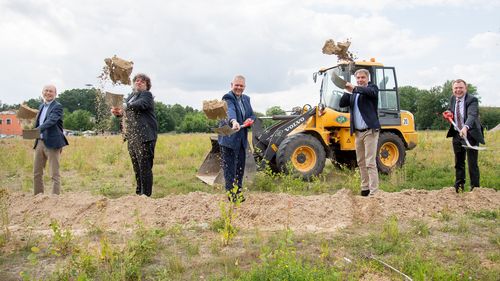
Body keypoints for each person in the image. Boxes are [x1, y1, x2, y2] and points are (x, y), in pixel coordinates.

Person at [111, 73, 158, 197]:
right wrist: (117, 113)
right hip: (132, 137)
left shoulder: (146, 95)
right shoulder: (131, 96)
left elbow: (140, 104)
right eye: (137, 80)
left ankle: (146, 195)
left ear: (147, 85)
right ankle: (139, 193)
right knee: (137, 167)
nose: (139, 82)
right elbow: (126, 113)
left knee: (145, 167)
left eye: (142, 81)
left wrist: (125, 106)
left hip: (145, 137)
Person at [339, 69, 380, 196]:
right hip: (358, 133)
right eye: (358, 78)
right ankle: (365, 189)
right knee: (361, 162)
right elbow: (341, 104)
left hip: (370, 131)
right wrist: (347, 90)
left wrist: (354, 87)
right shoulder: (354, 93)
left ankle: (374, 192)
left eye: (363, 77)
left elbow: (370, 92)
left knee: (370, 162)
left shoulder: (372, 88)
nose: (360, 80)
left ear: (367, 78)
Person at [218, 75, 255, 203]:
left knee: (240, 166)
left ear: (244, 87)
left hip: (241, 139)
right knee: (230, 168)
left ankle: (238, 191)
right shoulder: (228, 97)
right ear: (231, 85)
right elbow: (230, 111)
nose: (239, 88)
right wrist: (234, 121)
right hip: (228, 138)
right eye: (236, 85)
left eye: (241, 86)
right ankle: (231, 195)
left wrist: (250, 120)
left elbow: (251, 114)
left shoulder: (246, 99)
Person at [443, 79, 484, 193]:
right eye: (456, 88)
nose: (458, 90)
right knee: (459, 162)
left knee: (472, 163)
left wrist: (466, 127)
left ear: (465, 89)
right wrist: (448, 113)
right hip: (457, 134)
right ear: (453, 89)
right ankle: (459, 187)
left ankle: (475, 190)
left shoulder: (472, 100)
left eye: (461, 88)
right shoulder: (452, 98)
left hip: (470, 134)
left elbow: (472, 115)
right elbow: (453, 111)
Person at [33, 85, 69, 195]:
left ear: (55, 94)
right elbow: (39, 121)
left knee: (54, 173)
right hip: (40, 141)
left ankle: (55, 199)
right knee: (37, 172)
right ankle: (38, 197)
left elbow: (51, 121)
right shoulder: (41, 106)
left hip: (53, 143)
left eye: (51, 91)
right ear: (42, 92)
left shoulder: (57, 106)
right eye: (46, 91)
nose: (48, 93)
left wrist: (37, 129)